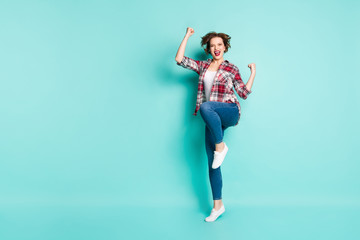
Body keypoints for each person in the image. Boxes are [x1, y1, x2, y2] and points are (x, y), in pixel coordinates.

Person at [175, 27, 256, 222]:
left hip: (229, 111)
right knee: (213, 163)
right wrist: (187, 36)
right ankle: (217, 206)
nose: (216, 48)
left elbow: (243, 93)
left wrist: (253, 72)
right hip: (213, 118)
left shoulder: (231, 68)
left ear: (225, 47)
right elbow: (179, 60)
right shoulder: (203, 66)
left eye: (219, 45)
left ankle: (221, 145)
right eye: (212, 46)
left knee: (206, 107)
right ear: (209, 49)